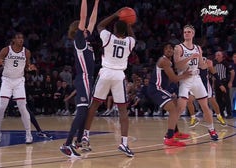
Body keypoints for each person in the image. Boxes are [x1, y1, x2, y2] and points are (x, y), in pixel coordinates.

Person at [81, 7, 136, 157]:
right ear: (126, 31)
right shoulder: (130, 42)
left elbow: (100, 26)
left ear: (114, 29)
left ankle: (85, 135)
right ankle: (124, 143)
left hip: (105, 73)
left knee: (94, 105)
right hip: (119, 76)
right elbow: (132, 37)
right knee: (123, 110)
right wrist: (128, 22)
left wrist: (115, 15)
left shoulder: (108, 38)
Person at [0, 56, 52, 144]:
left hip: (16, 87)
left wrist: (30, 68)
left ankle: (39, 131)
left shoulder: (20, 57)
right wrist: (5, 67)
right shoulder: (0, 58)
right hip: (3, 86)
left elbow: (27, 69)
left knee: (26, 109)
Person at [59, 0, 99, 157]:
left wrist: (96, 3)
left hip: (88, 79)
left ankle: (78, 142)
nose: (87, 29)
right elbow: (84, 17)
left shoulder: (87, 40)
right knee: (82, 112)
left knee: (86, 112)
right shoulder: (79, 40)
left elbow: (92, 20)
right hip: (83, 78)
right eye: (83, 28)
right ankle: (67, 144)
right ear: (78, 30)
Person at [173, 25, 218, 141]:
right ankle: (171, 131)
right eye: (185, 32)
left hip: (196, 77)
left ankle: (212, 130)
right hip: (185, 78)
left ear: (193, 34)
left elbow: (201, 65)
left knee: (205, 106)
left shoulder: (198, 48)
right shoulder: (178, 48)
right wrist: (189, 57)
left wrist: (207, 64)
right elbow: (177, 65)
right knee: (181, 107)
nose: (186, 33)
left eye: (189, 32)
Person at [0, 32, 36, 144]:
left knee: (22, 107)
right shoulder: (6, 50)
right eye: (18, 38)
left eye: (22, 37)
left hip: (19, 81)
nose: (21, 39)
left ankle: (28, 134)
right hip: (7, 80)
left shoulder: (26, 52)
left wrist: (30, 68)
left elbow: (27, 66)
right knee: (2, 106)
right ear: (13, 39)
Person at [148, 42, 192, 146]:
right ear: (164, 51)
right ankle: (169, 137)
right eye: (167, 48)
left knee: (176, 106)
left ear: (174, 51)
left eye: (171, 48)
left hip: (160, 89)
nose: (169, 50)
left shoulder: (169, 61)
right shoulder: (164, 61)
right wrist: (184, 75)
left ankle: (175, 132)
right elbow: (173, 79)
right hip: (156, 89)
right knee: (173, 109)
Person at [188, 57, 227, 127]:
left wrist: (220, 85)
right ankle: (193, 118)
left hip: (205, 85)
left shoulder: (205, 61)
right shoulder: (190, 61)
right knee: (189, 100)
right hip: (194, 84)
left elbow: (214, 73)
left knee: (213, 101)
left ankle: (219, 116)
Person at [214, 51, 235, 119]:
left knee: (227, 99)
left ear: (222, 56)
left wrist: (230, 82)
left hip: (224, 82)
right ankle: (221, 113)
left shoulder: (226, 63)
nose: (217, 56)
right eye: (216, 55)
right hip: (217, 83)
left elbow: (232, 72)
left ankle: (229, 113)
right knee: (218, 99)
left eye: (219, 55)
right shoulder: (214, 63)